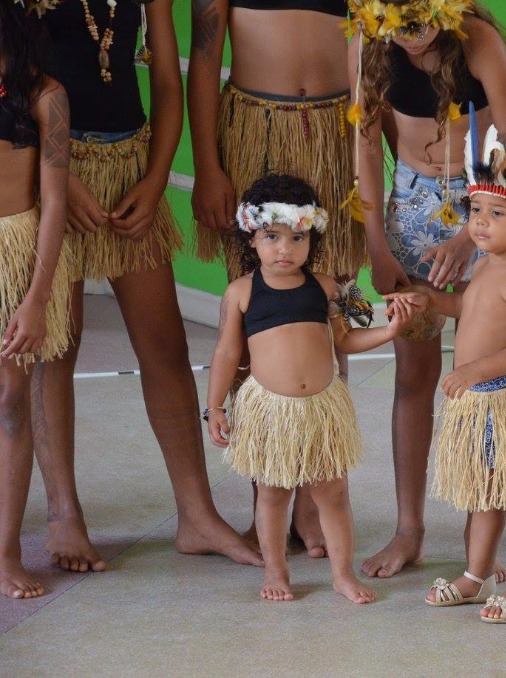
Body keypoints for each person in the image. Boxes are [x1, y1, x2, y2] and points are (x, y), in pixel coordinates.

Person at [36, 0, 260, 572]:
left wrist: (158, 176)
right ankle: (64, 514)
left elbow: (165, 78)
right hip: (52, 170)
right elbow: (13, 76)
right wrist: (62, 177)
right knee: (57, 348)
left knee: (164, 347)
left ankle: (196, 513)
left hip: (132, 163)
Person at [347, 0, 506, 578]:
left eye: (421, 27)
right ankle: (409, 530)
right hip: (408, 212)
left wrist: (472, 236)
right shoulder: (369, 43)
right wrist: (376, 244)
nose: (411, 40)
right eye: (398, 29)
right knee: (416, 376)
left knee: (485, 383)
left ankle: (487, 542)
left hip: (484, 208)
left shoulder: (476, 39)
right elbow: (366, 153)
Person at [388, 123, 506, 623]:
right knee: (482, 491)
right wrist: (434, 300)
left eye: (497, 214)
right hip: (476, 395)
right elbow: (469, 311)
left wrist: (474, 371)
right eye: (476, 211)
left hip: (504, 396)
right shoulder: (488, 264)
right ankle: (475, 576)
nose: (481, 223)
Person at [188, 0, 360, 559]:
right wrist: (208, 166)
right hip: (252, 131)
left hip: (336, 133)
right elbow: (205, 55)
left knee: (323, 315)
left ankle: (315, 503)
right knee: (257, 323)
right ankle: (269, 497)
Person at [206, 174, 414, 602]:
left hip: (321, 407)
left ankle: (342, 574)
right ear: (251, 238)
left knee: (333, 493)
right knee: (272, 492)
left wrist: (390, 330)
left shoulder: (325, 287)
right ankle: (276, 571)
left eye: (297, 238)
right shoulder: (241, 292)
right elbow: (227, 354)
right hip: (271, 410)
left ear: (311, 238)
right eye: (272, 237)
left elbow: (345, 341)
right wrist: (215, 407)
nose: (285, 249)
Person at [0, 0, 73, 599]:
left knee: (10, 402)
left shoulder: (44, 95)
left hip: (15, 255)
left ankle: (5, 553)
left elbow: (53, 202)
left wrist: (36, 297)